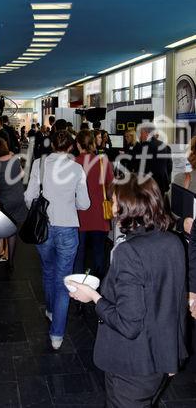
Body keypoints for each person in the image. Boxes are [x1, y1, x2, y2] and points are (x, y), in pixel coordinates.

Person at [69, 174, 187, 408]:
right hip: (161, 358)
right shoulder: (173, 242)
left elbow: (128, 324)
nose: (111, 208)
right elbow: (175, 305)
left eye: (114, 202)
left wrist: (93, 297)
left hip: (131, 366)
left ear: (129, 208)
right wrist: (173, 357)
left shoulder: (128, 252)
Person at [25, 130, 90, 350]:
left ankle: (51, 310)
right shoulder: (77, 169)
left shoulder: (39, 165)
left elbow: (29, 196)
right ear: (71, 147)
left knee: (48, 270)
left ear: (52, 144)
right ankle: (57, 335)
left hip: (43, 227)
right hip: (68, 228)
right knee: (64, 280)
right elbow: (84, 204)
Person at [73, 130, 114, 278]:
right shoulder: (104, 162)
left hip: (78, 215)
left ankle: (77, 285)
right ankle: (99, 285)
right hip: (99, 213)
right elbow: (111, 187)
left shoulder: (73, 163)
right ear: (93, 143)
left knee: (79, 251)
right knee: (99, 251)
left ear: (78, 144)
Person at [0, 138, 28, 269]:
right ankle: (10, 262)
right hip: (18, 197)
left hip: (5, 200)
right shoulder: (14, 159)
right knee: (12, 231)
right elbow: (22, 174)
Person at [136, 123, 172, 196]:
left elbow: (138, 167)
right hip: (162, 185)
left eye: (141, 133)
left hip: (147, 186)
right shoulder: (165, 147)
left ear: (146, 133)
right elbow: (169, 167)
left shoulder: (142, 147)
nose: (140, 136)